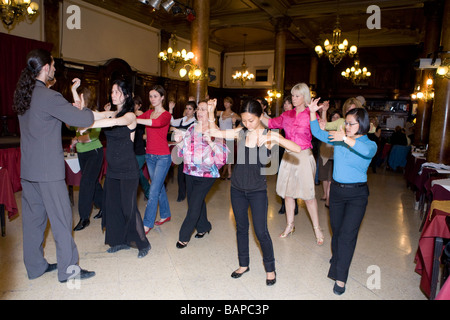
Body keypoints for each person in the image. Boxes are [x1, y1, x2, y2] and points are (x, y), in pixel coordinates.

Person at [12, 48, 97, 282]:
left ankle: (36, 266)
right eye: (53, 65)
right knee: (61, 220)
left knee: (33, 221)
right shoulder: (49, 97)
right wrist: (86, 110)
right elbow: (83, 119)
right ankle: (69, 271)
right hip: (49, 171)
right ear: (46, 68)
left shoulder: (25, 94)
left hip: (28, 170)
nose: (55, 69)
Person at [208, 98, 301, 286]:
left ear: (260, 117)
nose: (247, 124)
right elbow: (214, 131)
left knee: (261, 231)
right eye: (244, 120)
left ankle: (270, 268)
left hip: (257, 191)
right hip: (236, 189)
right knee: (241, 229)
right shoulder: (241, 132)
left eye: (251, 120)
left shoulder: (268, 136)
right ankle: (243, 264)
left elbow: (297, 148)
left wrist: (276, 138)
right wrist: (211, 111)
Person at [309, 99, 377, 295]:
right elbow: (318, 133)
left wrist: (344, 138)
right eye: (345, 123)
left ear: (362, 124)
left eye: (350, 124)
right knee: (337, 232)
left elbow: (365, 151)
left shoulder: (369, 143)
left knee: (347, 235)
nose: (346, 127)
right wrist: (313, 113)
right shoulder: (339, 137)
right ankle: (338, 256)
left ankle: (340, 278)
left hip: (357, 195)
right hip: (337, 192)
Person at [84, 79, 151, 258]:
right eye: (112, 92)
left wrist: (90, 124)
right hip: (112, 168)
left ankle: (143, 243)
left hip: (128, 168)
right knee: (112, 205)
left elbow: (112, 122)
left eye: (117, 91)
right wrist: (80, 110)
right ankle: (119, 241)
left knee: (128, 207)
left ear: (127, 95)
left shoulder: (130, 116)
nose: (113, 95)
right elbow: (95, 114)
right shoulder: (111, 113)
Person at [261, 83, 324, 245]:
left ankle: (317, 228)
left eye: (297, 96)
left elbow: (318, 131)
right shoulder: (287, 115)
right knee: (288, 194)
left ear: (305, 97)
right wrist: (257, 112)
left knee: (309, 195)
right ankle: (290, 225)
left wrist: (319, 116)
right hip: (288, 156)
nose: (294, 99)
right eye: (293, 96)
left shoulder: (310, 114)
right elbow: (270, 123)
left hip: (303, 155)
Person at [173, 101, 228, 248]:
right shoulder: (192, 127)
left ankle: (183, 236)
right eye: (198, 109)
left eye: (203, 109)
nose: (199, 112)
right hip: (190, 171)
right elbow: (183, 149)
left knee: (194, 204)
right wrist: (179, 142)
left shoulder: (214, 129)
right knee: (196, 201)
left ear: (210, 111)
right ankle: (204, 227)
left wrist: (210, 143)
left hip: (207, 174)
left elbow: (222, 154)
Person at [70, 79, 104, 231]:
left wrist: (76, 138)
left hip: (94, 153)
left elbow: (92, 137)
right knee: (93, 183)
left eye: (78, 98)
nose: (76, 101)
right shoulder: (79, 114)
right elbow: (68, 124)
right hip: (82, 153)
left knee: (85, 183)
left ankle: (84, 218)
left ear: (84, 98)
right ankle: (105, 207)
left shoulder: (93, 115)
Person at [137, 85, 172, 234]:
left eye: (155, 96)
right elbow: (136, 119)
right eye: (150, 96)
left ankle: (147, 223)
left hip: (163, 157)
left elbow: (156, 124)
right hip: (149, 156)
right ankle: (165, 214)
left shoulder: (166, 115)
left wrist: (138, 119)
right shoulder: (148, 113)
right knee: (159, 188)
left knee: (153, 190)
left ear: (162, 97)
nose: (152, 99)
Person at [169, 100, 197, 201]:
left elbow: (190, 135)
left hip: (190, 151)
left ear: (194, 111)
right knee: (180, 173)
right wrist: (171, 109)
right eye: (186, 108)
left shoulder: (195, 122)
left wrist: (177, 130)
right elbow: (171, 122)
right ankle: (181, 194)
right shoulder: (182, 119)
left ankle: (191, 194)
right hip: (181, 150)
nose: (187, 111)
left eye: (190, 109)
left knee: (188, 175)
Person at [277, 95, 298, 216]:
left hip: (294, 149)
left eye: (288, 103)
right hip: (283, 149)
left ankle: (293, 205)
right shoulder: (282, 117)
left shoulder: (296, 117)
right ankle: (283, 204)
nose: (286, 105)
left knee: (293, 178)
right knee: (282, 177)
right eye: (284, 103)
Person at [319, 109, 341, 207]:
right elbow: (323, 123)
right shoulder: (327, 127)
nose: (335, 119)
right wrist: (325, 111)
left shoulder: (342, 130)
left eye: (337, 117)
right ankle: (325, 194)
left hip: (336, 157)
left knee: (331, 179)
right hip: (325, 154)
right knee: (324, 177)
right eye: (333, 117)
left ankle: (328, 199)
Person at [217, 97, 240, 180]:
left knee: (229, 156)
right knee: (221, 155)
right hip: (220, 136)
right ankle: (223, 172)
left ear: (231, 104)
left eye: (227, 102)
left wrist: (234, 124)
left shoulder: (233, 114)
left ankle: (229, 173)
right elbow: (210, 113)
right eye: (224, 102)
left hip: (229, 136)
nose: (225, 104)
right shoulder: (220, 113)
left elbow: (241, 119)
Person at [133, 96, 150, 200]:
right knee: (135, 171)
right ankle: (147, 190)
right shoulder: (129, 115)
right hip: (130, 149)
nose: (134, 105)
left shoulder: (142, 116)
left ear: (139, 106)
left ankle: (148, 190)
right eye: (133, 103)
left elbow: (147, 135)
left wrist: (141, 137)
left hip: (140, 149)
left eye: (136, 104)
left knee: (136, 170)